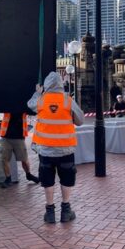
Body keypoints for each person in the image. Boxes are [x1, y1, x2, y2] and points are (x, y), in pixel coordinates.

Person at [28, 72, 84, 224]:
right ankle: (66, 211)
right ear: (60, 84)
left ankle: (50, 212)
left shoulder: (41, 100)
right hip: (65, 150)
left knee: (47, 180)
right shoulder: (68, 100)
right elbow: (80, 121)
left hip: (45, 150)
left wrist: (38, 92)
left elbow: (30, 104)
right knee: (67, 179)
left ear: (46, 85)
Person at [0, 112, 40, 188]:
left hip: (19, 137)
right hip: (6, 137)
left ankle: (28, 175)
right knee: (4, 159)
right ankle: (8, 178)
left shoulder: (23, 106)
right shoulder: (6, 105)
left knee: (24, 160)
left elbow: (33, 111)